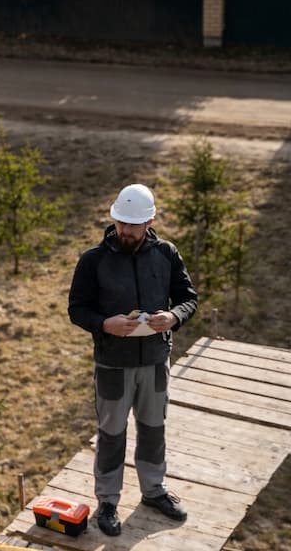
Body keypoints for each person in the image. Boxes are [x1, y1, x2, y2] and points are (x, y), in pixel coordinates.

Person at [67, 183, 198, 537]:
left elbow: (188, 299)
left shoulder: (167, 254)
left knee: (154, 428)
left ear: (150, 221)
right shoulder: (93, 259)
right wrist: (104, 324)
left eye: (133, 225)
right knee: (111, 434)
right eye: (121, 223)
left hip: (156, 361)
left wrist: (173, 318)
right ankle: (107, 501)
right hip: (112, 364)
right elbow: (77, 309)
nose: (125, 230)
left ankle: (154, 491)